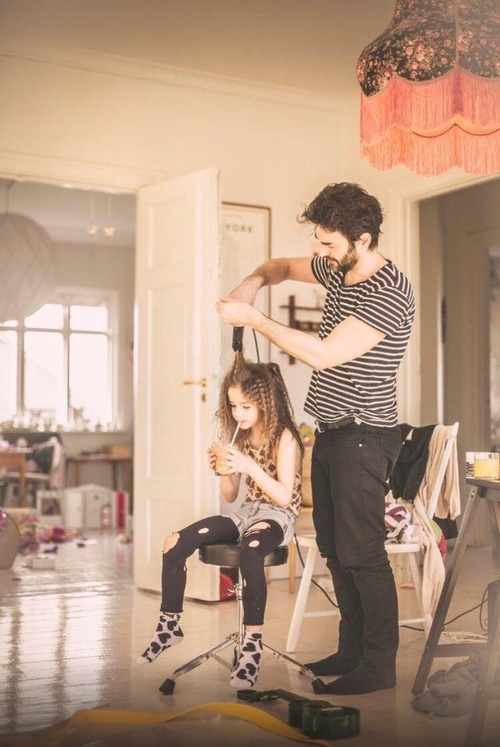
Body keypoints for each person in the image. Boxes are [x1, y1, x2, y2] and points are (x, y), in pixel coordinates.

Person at [216, 182, 415, 696]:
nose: (319, 254)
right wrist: (252, 283)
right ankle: (351, 649)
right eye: (319, 242)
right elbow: (280, 267)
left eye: (328, 245)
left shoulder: (389, 293)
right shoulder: (339, 265)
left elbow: (325, 354)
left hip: (367, 436)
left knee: (361, 552)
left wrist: (254, 319)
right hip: (330, 433)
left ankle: (378, 664)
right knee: (331, 546)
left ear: (363, 239)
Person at [137, 352, 304, 690]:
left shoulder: (285, 437)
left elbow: (284, 497)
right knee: (174, 542)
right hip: (247, 511)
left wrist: (247, 466)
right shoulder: (240, 436)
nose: (237, 414)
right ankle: (170, 627)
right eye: (232, 406)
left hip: (277, 515)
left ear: (265, 403)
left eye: (245, 406)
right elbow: (230, 496)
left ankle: (252, 645)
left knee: (251, 552)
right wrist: (222, 469)